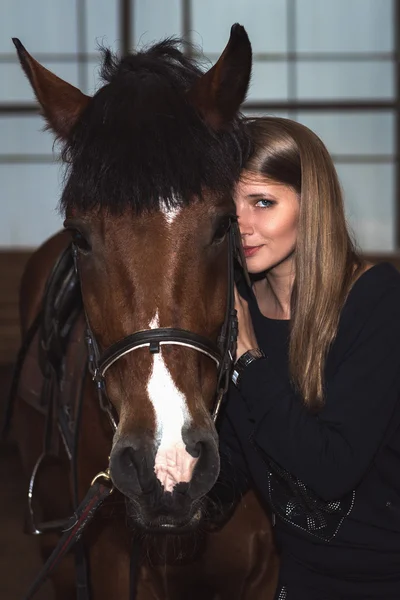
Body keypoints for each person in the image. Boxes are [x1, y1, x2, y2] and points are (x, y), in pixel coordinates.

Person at [215, 116, 400, 599]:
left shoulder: (377, 301)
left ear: (311, 203)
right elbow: (243, 454)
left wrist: (248, 360)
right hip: (300, 575)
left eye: (262, 202)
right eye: (228, 206)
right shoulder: (238, 305)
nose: (241, 225)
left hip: (382, 577)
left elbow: (332, 469)